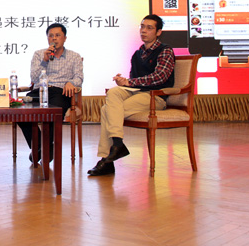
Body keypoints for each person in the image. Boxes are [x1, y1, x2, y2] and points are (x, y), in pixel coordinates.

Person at [88, 14, 175, 176]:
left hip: (155, 97)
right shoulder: (137, 54)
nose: (144, 31)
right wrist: (123, 81)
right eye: (142, 27)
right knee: (114, 92)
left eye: (149, 28)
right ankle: (117, 145)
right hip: (138, 94)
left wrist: (130, 82)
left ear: (158, 32)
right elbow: (134, 81)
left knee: (107, 111)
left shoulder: (165, 51)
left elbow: (159, 77)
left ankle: (107, 159)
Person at [18, 23, 83, 162]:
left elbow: (79, 77)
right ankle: (41, 148)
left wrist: (72, 83)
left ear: (65, 38)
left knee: (54, 111)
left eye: (57, 35)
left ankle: (41, 150)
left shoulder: (74, 56)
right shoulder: (39, 54)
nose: (54, 38)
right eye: (51, 36)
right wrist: (44, 61)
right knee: (20, 111)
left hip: (60, 92)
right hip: (39, 91)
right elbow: (34, 78)